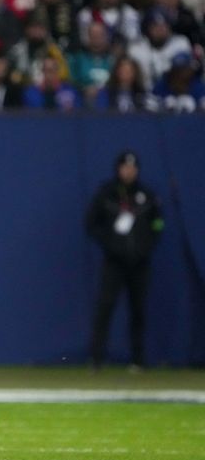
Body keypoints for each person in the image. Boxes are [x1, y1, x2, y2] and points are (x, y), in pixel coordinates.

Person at [86, 151, 164, 372]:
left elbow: (158, 224)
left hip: (139, 263)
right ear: (118, 169)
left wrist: (145, 247)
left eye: (132, 168)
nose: (128, 171)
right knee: (105, 307)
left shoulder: (146, 195)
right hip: (114, 261)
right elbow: (91, 224)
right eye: (125, 167)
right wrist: (111, 245)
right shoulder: (107, 193)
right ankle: (97, 359)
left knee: (138, 310)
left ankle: (138, 359)